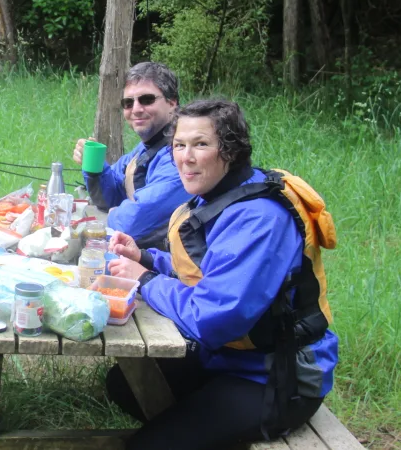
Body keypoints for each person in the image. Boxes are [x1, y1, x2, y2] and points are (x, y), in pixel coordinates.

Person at [105, 99, 339, 449]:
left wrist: (146, 280)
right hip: (230, 359)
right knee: (123, 383)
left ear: (230, 151)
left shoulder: (259, 219)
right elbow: (210, 270)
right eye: (179, 145)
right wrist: (148, 259)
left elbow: (212, 318)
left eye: (201, 144)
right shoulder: (221, 193)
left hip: (275, 377)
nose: (186, 157)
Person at [73, 62, 191, 249]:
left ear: (172, 103)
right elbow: (110, 197)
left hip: (171, 266)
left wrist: (113, 213)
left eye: (146, 99)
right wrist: (95, 169)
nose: (135, 109)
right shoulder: (146, 147)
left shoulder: (182, 154)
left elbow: (132, 223)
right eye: (128, 103)